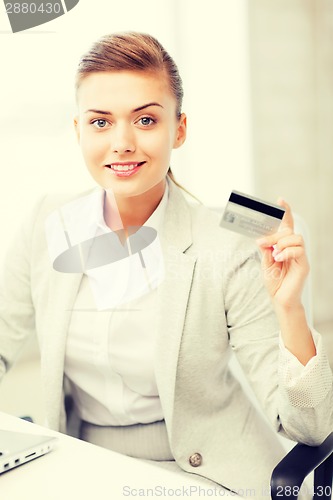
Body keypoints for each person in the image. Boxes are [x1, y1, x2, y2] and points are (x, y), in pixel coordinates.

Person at [0, 32, 332, 497]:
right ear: (77, 129)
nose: (122, 142)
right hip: (81, 467)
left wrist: (290, 309)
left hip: (204, 474)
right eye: (100, 122)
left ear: (179, 129)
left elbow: (310, 429)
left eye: (145, 119)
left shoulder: (229, 245)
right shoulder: (46, 224)